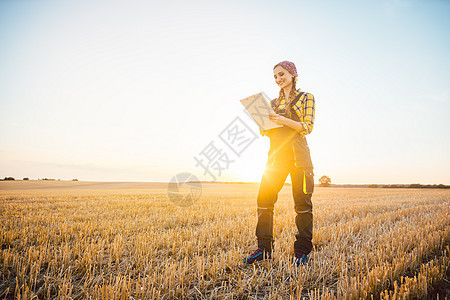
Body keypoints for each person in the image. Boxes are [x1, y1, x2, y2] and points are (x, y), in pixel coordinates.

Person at [244, 60, 315, 267]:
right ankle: (263, 250)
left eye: (281, 74)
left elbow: (307, 126)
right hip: (275, 159)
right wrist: (263, 125)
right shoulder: (273, 103)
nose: (278, 79)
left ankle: (301, 252)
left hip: (299, 159)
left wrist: (281, 120)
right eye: (275, 76)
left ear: (293, 74)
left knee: (302, 205)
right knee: (264, 202)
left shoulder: (306, 98)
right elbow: (268, 132)